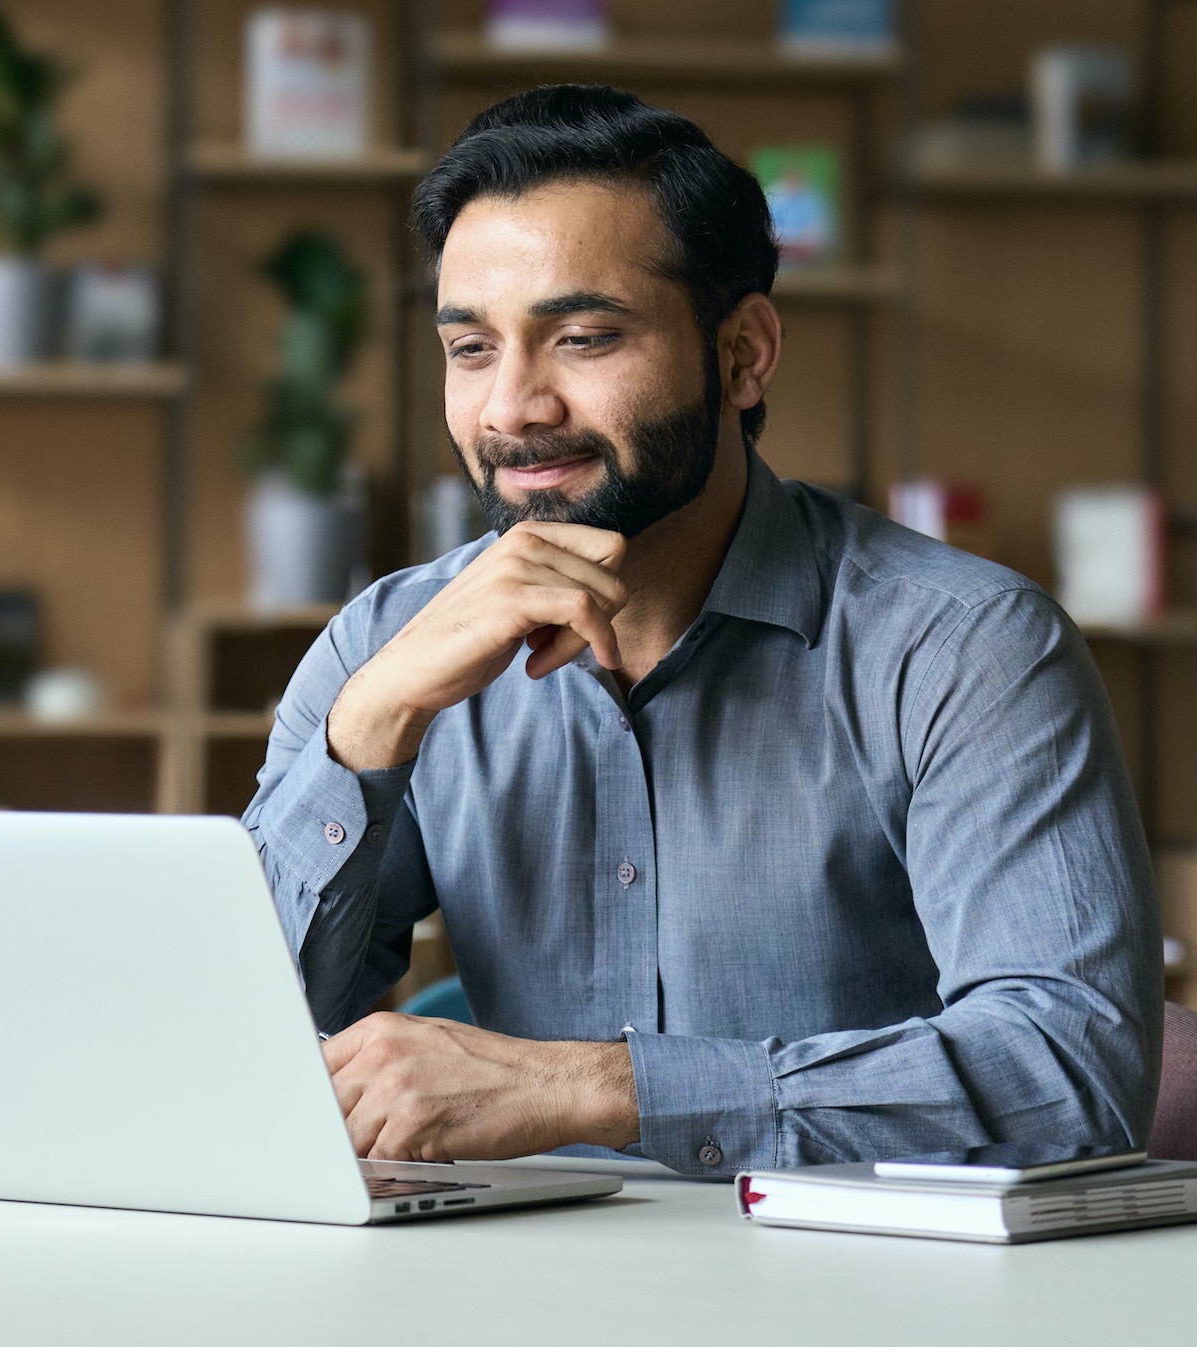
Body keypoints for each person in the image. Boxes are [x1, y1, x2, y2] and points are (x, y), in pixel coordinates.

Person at [243, 85, 1163, 1176]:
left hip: (876, 1303)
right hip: (508, 1298)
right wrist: (370, 730)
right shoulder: (381, 647)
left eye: (581, 337)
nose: (510, 409)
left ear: (742, 354)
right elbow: (222, 1044)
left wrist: (597, 1088)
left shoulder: (965, 648)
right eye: (470, 348)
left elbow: (1070, 1074)